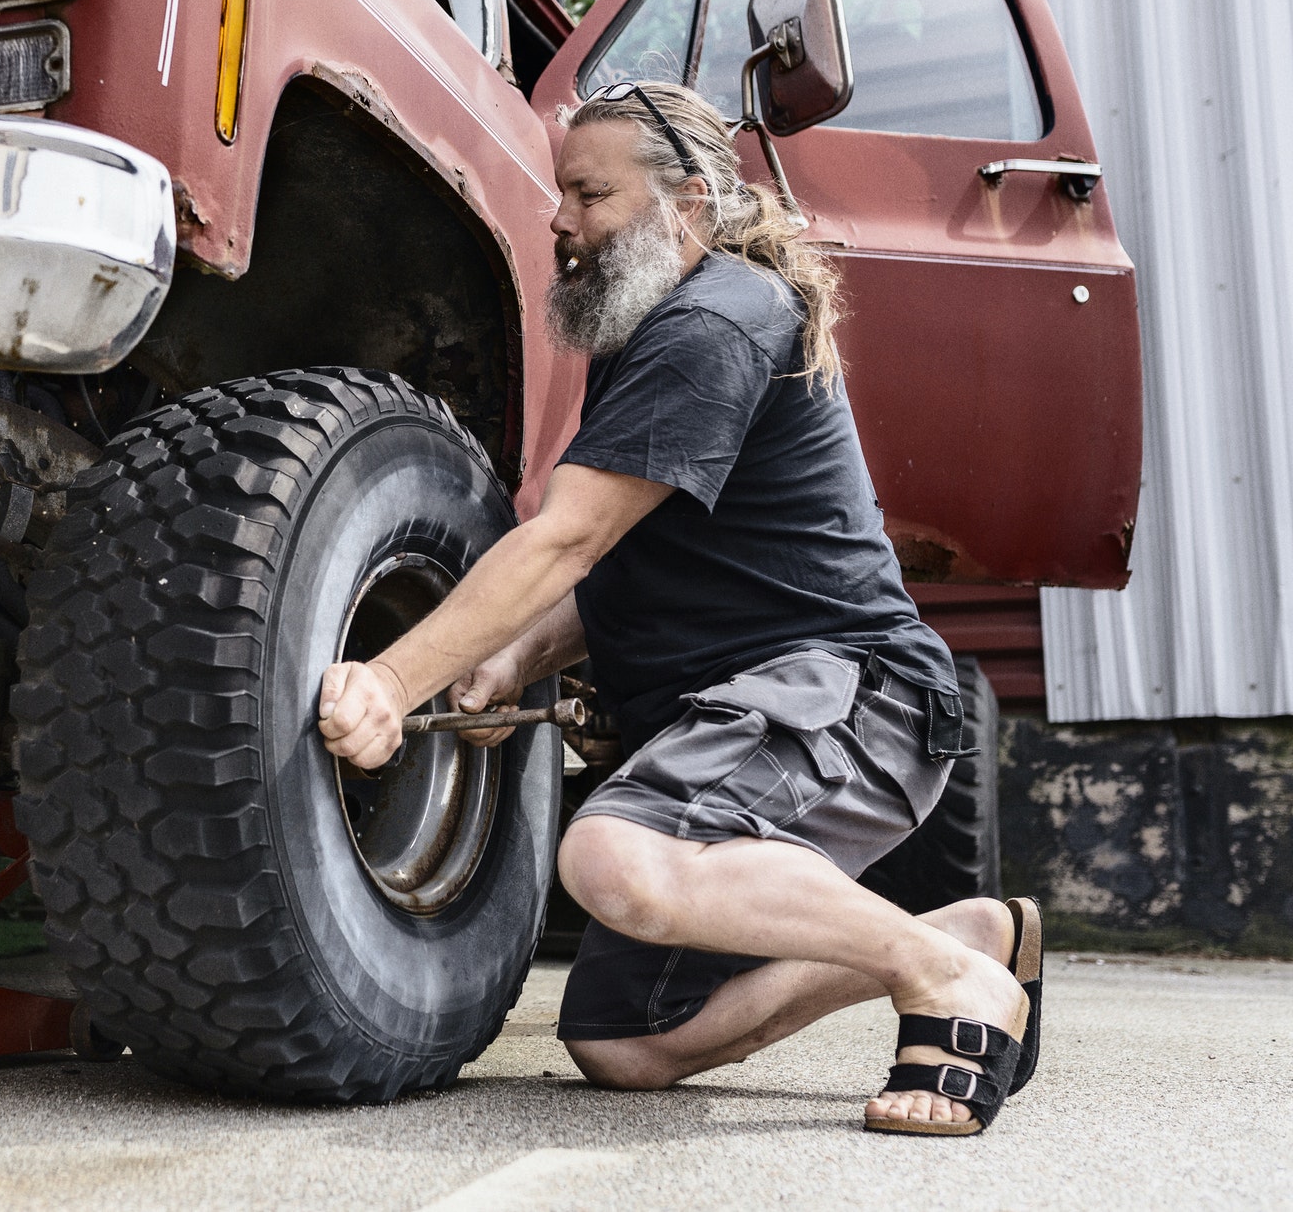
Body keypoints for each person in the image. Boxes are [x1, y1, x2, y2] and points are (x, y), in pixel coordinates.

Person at [314, 81, 1039, 1137]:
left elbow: (564, 537)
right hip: (755, 708)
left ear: (688, 203)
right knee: (623, 1044)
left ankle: (940, 977)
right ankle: (965, 933)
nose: (557, 220)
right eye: (559, 194)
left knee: (612, 856)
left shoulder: (715, 321)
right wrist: (509, 661)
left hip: (850, 692)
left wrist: (389, 681)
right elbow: (629, 561)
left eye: (587, 194)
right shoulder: (654, 333)